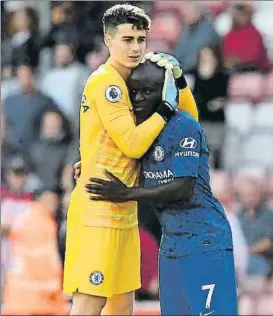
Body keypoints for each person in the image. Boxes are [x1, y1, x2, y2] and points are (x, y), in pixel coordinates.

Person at [64, 4, 199, 316]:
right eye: (127, 39)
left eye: (141, 39)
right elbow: (133, 144)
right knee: (89, 303)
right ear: (108, 40)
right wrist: (165, 110)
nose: (136, 47)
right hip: (98, 208)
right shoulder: (107, 83)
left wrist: (178, 80)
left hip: (124, 211)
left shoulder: (137, 79)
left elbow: (191, 122)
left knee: (123, 306)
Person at [86, 60, 238, 316]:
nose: (139, 98)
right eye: (134, 91)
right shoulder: (139, 134)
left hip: (205, 240)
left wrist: (126, 194)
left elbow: (183, 188)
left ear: (165, 92)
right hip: (171, 246)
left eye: (148, 91)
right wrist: (86, 164)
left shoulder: (183, 126)